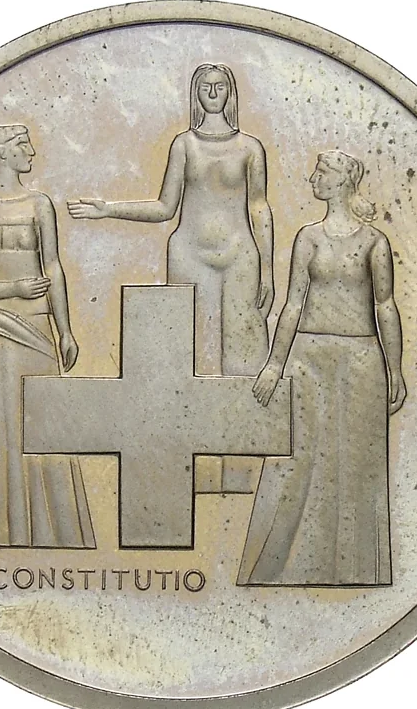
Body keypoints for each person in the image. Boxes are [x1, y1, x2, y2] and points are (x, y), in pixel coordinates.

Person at [68, 63, 274, 493]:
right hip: (189, 253)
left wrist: (269, 268)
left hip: (240, 254)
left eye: (220, 86)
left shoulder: (250, 148)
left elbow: (259, 207)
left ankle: (241, 473)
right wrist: (108, 209)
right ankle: (192, 473)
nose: (213, 93)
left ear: (231, 93)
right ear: (196, 94)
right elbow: (164, 208)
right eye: (205, 87)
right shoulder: (184, 144)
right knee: (189, 357)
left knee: (243, 358)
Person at [239, 150, 406, 586]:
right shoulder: (308, 238)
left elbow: (385, 306)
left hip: (361, 361)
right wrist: (274, 364)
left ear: (343, 181)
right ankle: (281, 570)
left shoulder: (374, 242)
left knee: (357, 464)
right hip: (308, 360)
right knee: (297, 461)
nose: (313, 178)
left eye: (322, 172)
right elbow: (293, 305)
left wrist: (395, 369)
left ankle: (354, 571)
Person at [0, 124, 95, 548]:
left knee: (41, 426)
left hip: (36, 325)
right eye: (21, 145)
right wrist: (12, 289)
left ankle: (50, 535)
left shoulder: (40, 204)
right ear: (0, 154)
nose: (30, 150)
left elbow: (53, 267)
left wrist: (65, 330)